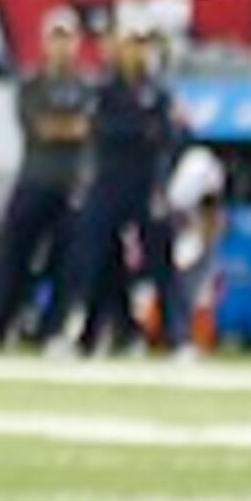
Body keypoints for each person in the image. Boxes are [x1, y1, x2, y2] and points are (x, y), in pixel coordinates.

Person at [0, 12, 96, 348]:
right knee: (13, 258)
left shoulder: (87, 85)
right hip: (34, 180)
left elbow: (89, 127)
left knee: (65, 262)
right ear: (46, 43)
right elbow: (42, 127)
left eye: (68, 38)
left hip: (71, 184)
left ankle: (53, 331)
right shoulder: (32, 85)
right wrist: (73, 127)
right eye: (56, 37)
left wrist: (69, 127)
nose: (62, 46)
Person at [68, 26, 183, 355]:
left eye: (141, 46)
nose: (136, 53)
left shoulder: (157, 92)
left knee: (160, 259)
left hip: (145, 182)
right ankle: (93, 334)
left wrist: (140, 134)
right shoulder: (103, 89)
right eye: (131, 45)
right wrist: (140, 129)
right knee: (97, 258)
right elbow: (103, 130)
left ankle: (177, 336)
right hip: (108, 182)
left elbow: (167, 137)